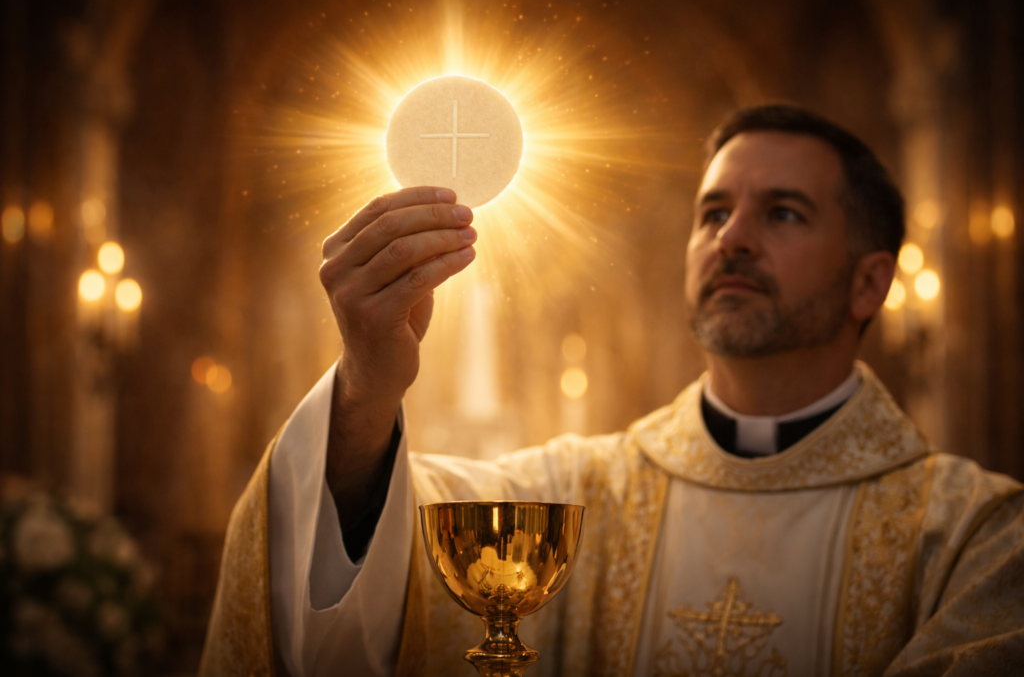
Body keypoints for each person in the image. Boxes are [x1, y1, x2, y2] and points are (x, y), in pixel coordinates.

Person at [200, 105, 1024, 677]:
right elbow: (369, 571)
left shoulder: (975, 538)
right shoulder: (571, 499)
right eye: (712, 213)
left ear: (869, 283)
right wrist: (368, 389)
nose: (730, 238)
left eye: (783, 214)